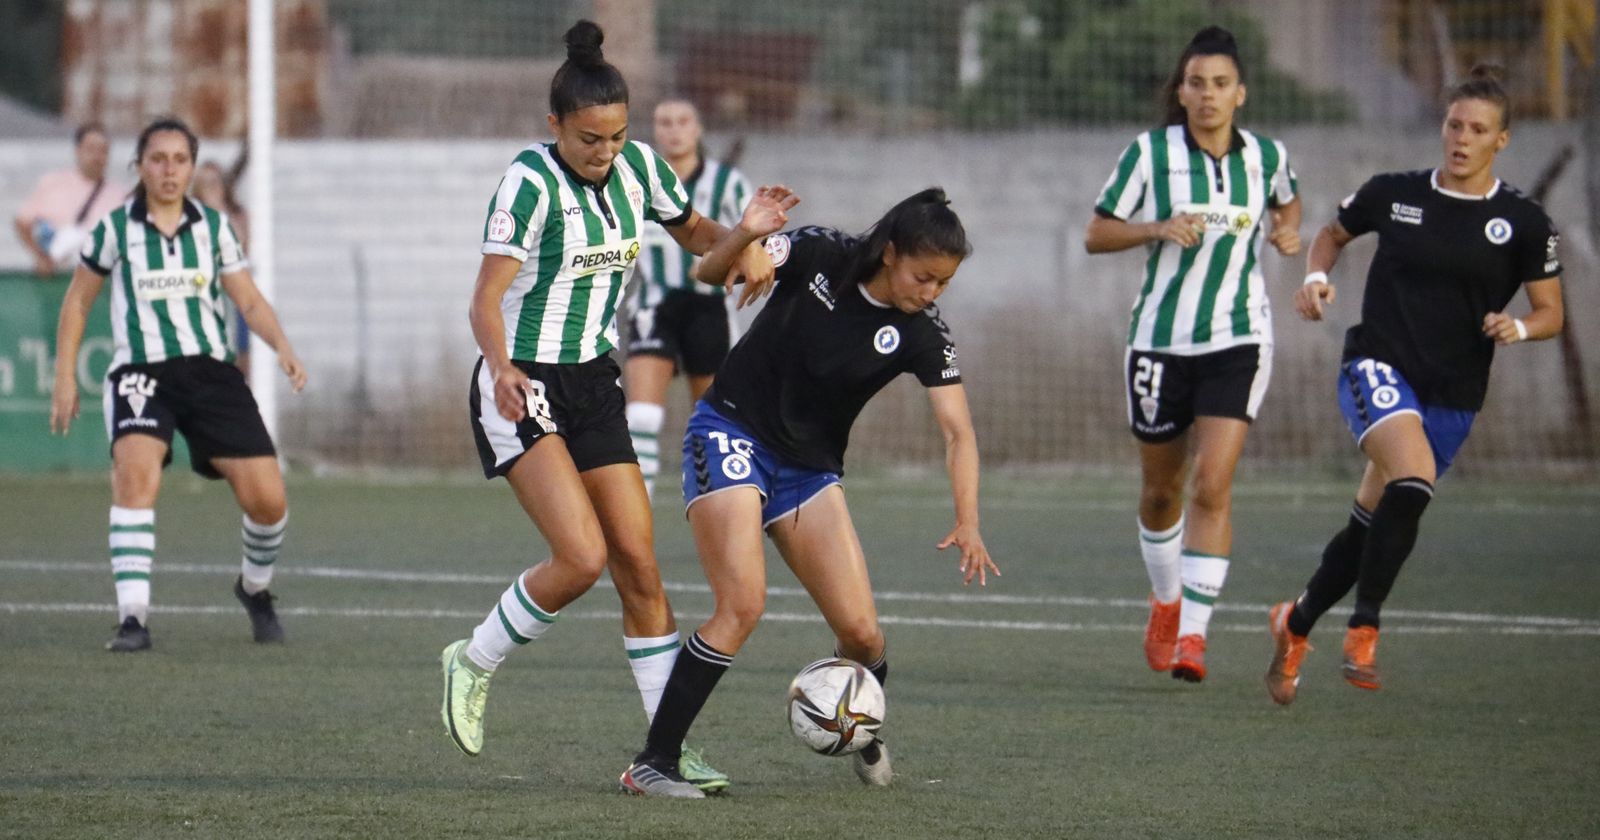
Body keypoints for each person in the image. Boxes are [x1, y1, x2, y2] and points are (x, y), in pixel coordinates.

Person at [437, 20, 790, 795]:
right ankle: (474, 658)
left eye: (618, 136)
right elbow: (486, 298)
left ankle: (661, 754)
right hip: (523, 380)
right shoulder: (528, 183)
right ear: (555, 124)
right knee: (583, 559)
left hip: (595, 379)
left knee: (639, 563)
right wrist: (499, 369)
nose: (607, 151)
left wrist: (748, 238)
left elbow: (698, 239)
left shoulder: (639, 171)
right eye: (591, 138)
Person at [618, 188, 998, 798]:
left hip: (809, 470)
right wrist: (744, 237)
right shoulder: (822, 253)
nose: (931, 293)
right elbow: (708, 269)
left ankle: (862, 729)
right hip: (730, 431)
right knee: (742, 604)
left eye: (944, 284)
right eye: (925, 277)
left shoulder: (923, 333)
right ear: (891, 253)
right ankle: (654, 762)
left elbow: (959, 432)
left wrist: (969, 518)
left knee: (863, 634)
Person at [1264, 66, 1564, 705]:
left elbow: (1551, 313)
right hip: (1377, 364)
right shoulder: (1393, 192)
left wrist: (1517, 327)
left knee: (1369, 526)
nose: (1461, 138)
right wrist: (1317, 278)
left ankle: (1294, 623)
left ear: (1501, 140)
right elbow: (1331, 235)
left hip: (1453, 392)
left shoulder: (1524, 222)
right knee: (1413, 479)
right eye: (1454, 124)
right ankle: (1365, 626)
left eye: (1477, 129)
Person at [1083, 26, 1301, 683]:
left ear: (1241, 93)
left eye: (1220, 85)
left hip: (1239, 337)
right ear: (1181, 91)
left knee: (1213, 483)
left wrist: (1289, 235)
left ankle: (1194, 639)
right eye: (1196, 83)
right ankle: (1166, 601)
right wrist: (1155, 228)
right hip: (1158, 340)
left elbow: (1288, 205)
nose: (1207, 95)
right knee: (1160, 492)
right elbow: (1096, 233)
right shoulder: (1150, 154)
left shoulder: (1267, 156)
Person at [47, 117, 308, 652]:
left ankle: (254, 589)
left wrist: (281, 346)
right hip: (141, 373)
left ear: (192, 168)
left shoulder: (214, 227)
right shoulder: (114, 229)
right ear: (139, 167)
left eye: (179, 160)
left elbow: (249, 300)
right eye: (158, 159)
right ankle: (133, 620)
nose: (169, 170)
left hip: (210, 372)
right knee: (135, 476)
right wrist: (64, 376)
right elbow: (77, 301)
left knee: (268, 501)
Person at [623, 98, 752, 500]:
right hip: (654, 303)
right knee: (641, 413)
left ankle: (713, 503)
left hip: (709, 306)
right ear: (654, 130)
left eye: (683, 122)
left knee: (711, 420)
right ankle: (634, 515)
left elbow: (753, 240)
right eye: (664, 122)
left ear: (697, 130)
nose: (674, 130)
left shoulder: (728, 183)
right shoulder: (634, 180)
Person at [14, 122, 128, 277]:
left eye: (103, 150)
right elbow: (22, 222)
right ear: (78, 150)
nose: (97, 156)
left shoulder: (120, 195)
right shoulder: (52, 183)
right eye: (91, 149)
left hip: (98, 281)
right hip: (55, 277)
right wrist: (39, 256)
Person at [193, 150, 253, 375]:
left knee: (242, 358)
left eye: (216, 182)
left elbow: (239, 246)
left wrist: (219, 208)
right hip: (203, 296)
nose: (212, 187)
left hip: (235, 296)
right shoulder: (189, 217)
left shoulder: (237, 214)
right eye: (205, 183)